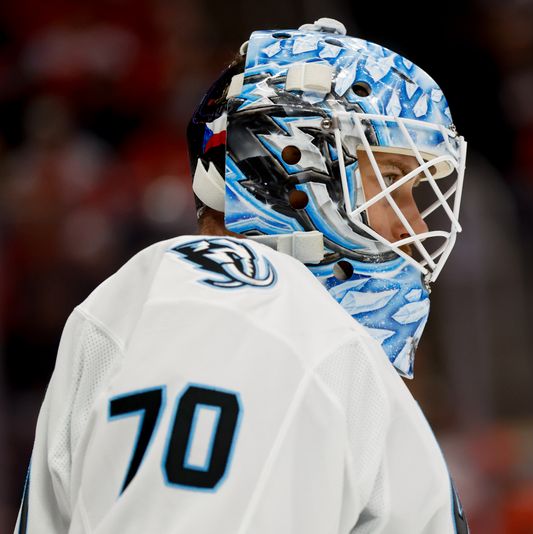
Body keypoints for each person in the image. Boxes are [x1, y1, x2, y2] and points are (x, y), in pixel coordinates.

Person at [15, 18, 469, 533]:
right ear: (290, 165)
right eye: (388, 178)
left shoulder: (175, 311)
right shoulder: (246, 310)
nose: (413, 226)